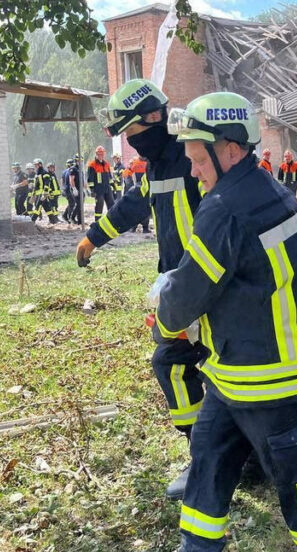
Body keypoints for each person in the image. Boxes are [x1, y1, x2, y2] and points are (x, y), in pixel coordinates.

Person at [137, 91, 297, 552]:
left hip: (271, 376)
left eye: (197, 158)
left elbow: (189, 291)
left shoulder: (223, 209)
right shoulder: (273, 190)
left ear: (228, 147)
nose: (193, 170)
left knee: (294, 476)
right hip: (236, 370)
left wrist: (167, 326)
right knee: (209, 455)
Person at [75, 80, 211, 500]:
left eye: (132, 134)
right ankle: (214, 456)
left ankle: (214, 461)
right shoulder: (157, 165)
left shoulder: (193, 158)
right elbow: (134, 203)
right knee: (177, 364)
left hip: (210, 288)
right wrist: (93, 237)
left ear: (153, 119)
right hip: (183, 289)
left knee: (192, 366)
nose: (131, 146)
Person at [87, 146, 115, 222]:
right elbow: (90, 179)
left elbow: (109, 177)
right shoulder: (92, 165)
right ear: (96, 154)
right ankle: (97, 221)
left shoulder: (106, 164)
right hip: (98, 190)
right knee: (99, 205)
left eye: (102, 154)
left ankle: (112, 221)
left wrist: (113, 187)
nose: (100, 155)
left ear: (104, 154)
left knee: (111, 204)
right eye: (99, 154)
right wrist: (92, 190)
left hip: (107, 188)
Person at [28, 158, 48, 222]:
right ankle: (53, 220)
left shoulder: (44, 172)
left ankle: (33, 220)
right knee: (48, 207)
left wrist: (44, 193)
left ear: (40, 164)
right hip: (36, 193)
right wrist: (33, 187)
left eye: (36, 165)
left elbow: (46, 183)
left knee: (37, 207)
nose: (35, 166)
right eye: (35, 165)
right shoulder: (37, 173)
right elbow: (37, 184)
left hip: (41, 193)